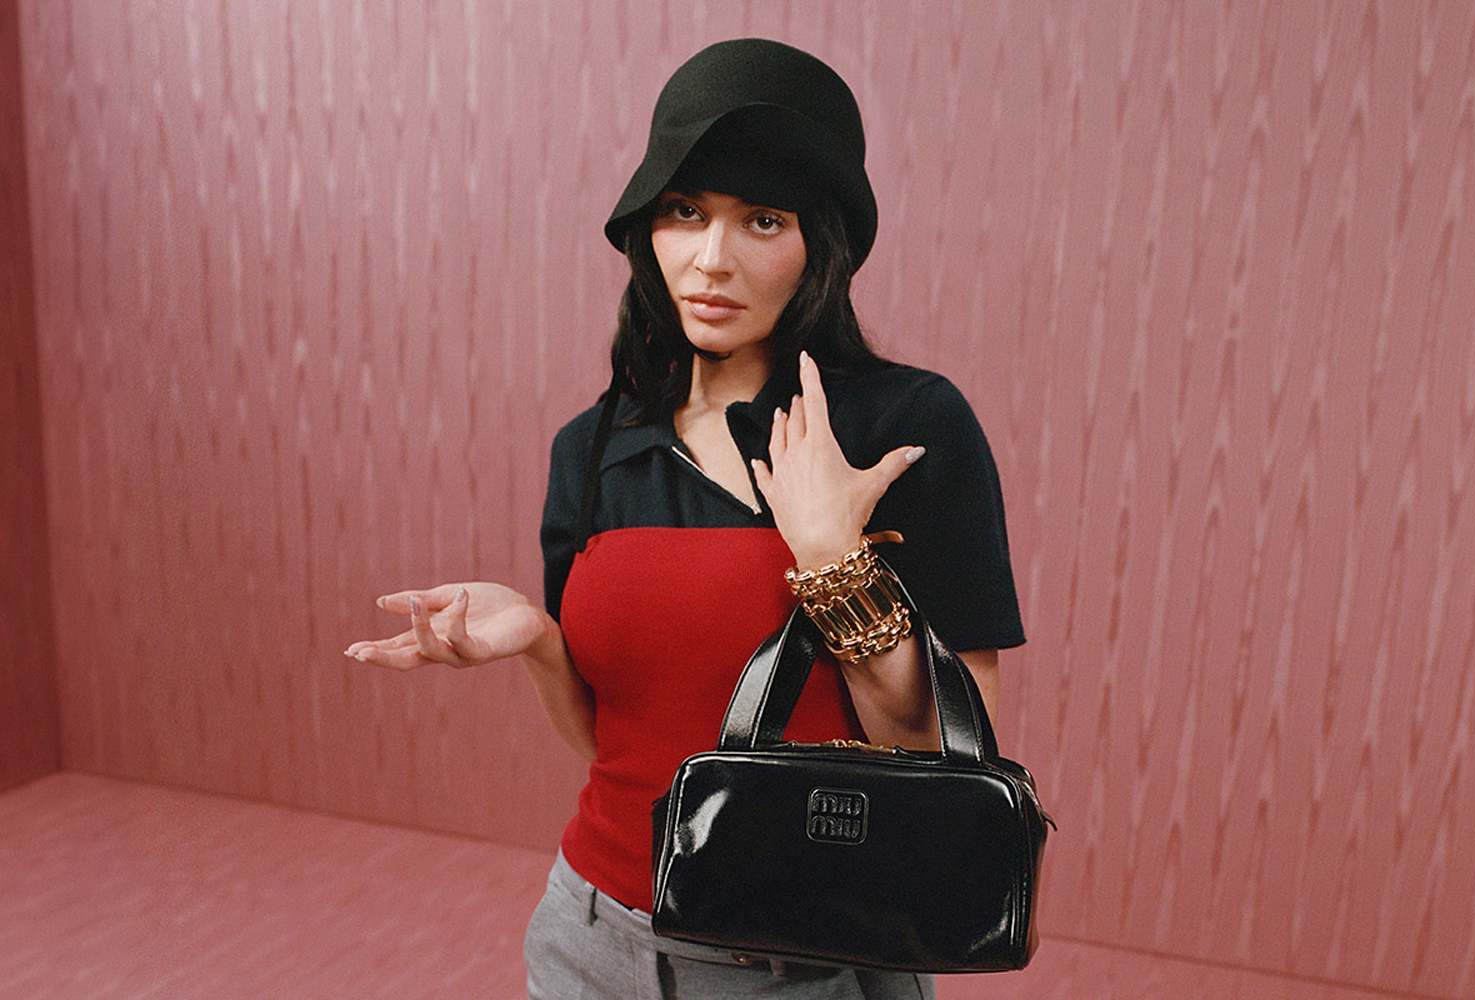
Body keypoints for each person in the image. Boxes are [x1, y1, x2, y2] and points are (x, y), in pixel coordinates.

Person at [345, 37, 1024, 1000]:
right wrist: (538, 641)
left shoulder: (903, 427)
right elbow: (615, 740)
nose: (711, 259)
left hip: (806, 961)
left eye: (762, 220)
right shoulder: (593, 447)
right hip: (586, 936)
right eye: (685, 211)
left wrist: (832, 559)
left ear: (820, 245)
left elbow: (943, 762)